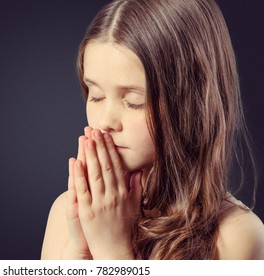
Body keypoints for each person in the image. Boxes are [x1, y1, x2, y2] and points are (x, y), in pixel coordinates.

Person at [41, 0, 264, 259]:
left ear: (191, 104)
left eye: (134, 102)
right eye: (96, 96)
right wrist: (78, 252)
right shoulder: (67, 214)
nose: (105, 122)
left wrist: (111, 251)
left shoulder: (238, 237)